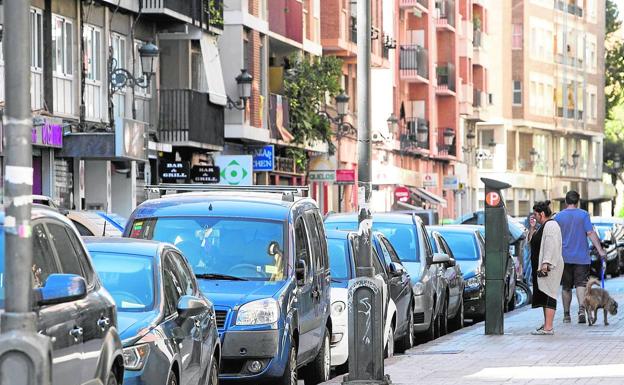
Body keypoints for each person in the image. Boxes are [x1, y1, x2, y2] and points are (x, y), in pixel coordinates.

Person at [555, 190, 607, 324]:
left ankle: (566, 315)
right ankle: (581, 310)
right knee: (581, 285)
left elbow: (555, 237)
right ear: (577, 202)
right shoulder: (583, 215)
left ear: (566, 201)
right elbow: (590, 233)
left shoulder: (558, 217)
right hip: (581, 257)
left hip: (564, 257)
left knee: (566, 287)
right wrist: (600, 250)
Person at [528, 201, 564, 335]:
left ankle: (548, 327)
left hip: (549, 267)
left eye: (536, 215)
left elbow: (550, 245)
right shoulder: (542, 226)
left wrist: (546, 263)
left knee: (549, 294)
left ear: (542, 214)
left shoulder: (551, 226)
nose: (534, 217)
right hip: (541, 267)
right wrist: (532, 228)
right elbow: (532, 242)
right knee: (544, 294)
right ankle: (547, 324)